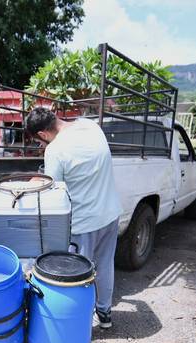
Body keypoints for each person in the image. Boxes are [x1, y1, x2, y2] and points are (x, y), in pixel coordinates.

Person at [24, 107, 123, 329]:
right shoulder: (90, 126)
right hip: (110, 214)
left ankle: (78, 324)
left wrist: (33, 185)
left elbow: (51, 191)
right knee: (105, 266)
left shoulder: (55, 150)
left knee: (78, 277)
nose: (41, 146)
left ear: (42, 134)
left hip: (83, 224)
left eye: (39, 142)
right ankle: (105, 314)